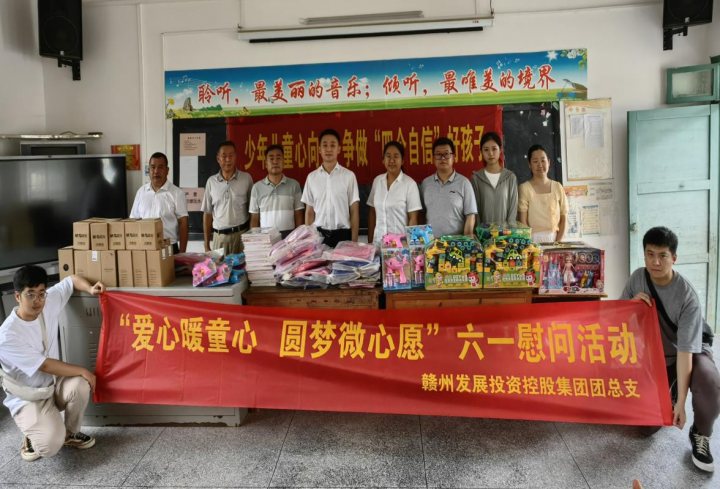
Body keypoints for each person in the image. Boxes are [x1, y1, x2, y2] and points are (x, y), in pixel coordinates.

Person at [621, 227, 719, 473]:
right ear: (644, 255)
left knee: (709, 381)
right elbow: (617, 320)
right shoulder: (637, 278)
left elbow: (685, 353)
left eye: (662, 255)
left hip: (691, 351)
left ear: (674, 258)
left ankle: (701, 433)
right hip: (656, 355)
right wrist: (631, 306)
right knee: (646, 427)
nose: (656, 262)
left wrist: (681, 404)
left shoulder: (686, 295)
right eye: (650, 254)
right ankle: (670, 392)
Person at [0, 265, 105, 462]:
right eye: (30, 295)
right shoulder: (7, 336)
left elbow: (71, 280)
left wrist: (90, 289)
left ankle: (70, 434)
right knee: (49, 446)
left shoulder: (48, 301)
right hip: (28, 397)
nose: (37, 300)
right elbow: (45, 365)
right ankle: (31, 433)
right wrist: (83, 370)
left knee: (80, 384)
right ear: (17, 296)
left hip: (52, 385)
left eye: (41, 293)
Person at [301, 128, 360, 247]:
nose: (328, 149)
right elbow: (309, 212)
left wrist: (354, 242)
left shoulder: (349, 176)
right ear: (319, 149)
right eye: (325, 145)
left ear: (339, 149)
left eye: (332, 145)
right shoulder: (312, 178)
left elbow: (354, 211)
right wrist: (308, 242)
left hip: (343, 235)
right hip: (318, 236)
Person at [130, 152, 189, 253]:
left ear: (167, 170)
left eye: (160, 167)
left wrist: (182, 253)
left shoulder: (177, 193)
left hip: (168, 248)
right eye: (153, 167)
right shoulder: (141, 192)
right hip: (144, 247)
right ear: (149, 170)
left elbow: (183, 223)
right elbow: (133, 221)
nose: (156, 171)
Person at [201, 141, 253, 254]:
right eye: (224, 156)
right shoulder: (211, 182)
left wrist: (252, 239)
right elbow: (207, 214)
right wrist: (206, 244)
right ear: (218, 159)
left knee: (243, 266)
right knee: (219, 266)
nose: (228, 159)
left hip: (242, 236)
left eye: (231, 155)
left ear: (236, 157)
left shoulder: (246, 179)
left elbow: (252, 211)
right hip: (219, 238)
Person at [367, 141, 422, 247]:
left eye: (396, 156)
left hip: (399, 248)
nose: (391, 160)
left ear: (402, 161)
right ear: (383, 160)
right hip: (377, 245)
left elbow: (413, 218)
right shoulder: (377, 181)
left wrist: (410, 247)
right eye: (388, 156)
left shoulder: (410, 184)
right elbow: (372, 213)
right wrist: (370, 243)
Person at [420, 137, 477, 238]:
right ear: (433, 158)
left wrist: (467, 238)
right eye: (438, 154)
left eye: (446, 154)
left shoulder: (464, 183)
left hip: (456, 243)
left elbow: (470, 215)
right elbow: (421, 214)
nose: (443, 158)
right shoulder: (425, 184)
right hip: (431, 243)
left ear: (453, 157)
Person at [249, 144, 304, 239]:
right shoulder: (256, 188)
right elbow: (254, 219)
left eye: (278, 158)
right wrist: (255, 240)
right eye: (271, 158)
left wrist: (299, 239)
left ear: (283, 162)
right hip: (266, 239)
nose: (275, 162)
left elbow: (299, 217)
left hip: (289, 239)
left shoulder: (294, 185)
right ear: (266, 164)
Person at [518, 144, 568, 242]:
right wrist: (531, 244)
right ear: (529, 165)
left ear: (548, 162)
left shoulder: (557, 187)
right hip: (532, 241)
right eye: (535, 161)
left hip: (556, 239)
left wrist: (557, 243)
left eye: (543, 160)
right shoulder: (524, 188)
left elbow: (564, 217)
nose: (540, 165)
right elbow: (522, 222)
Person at [470, 132, 518, 224]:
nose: (491, 153)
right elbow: (475, 212)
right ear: (481, 152)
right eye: (486, 150)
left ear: (500, 150)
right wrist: (480, 231)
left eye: (494, 149)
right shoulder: (476, 178)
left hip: (506, 232)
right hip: (483, 232)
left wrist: (508, 230)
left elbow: (513, 210)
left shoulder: (510, 177)